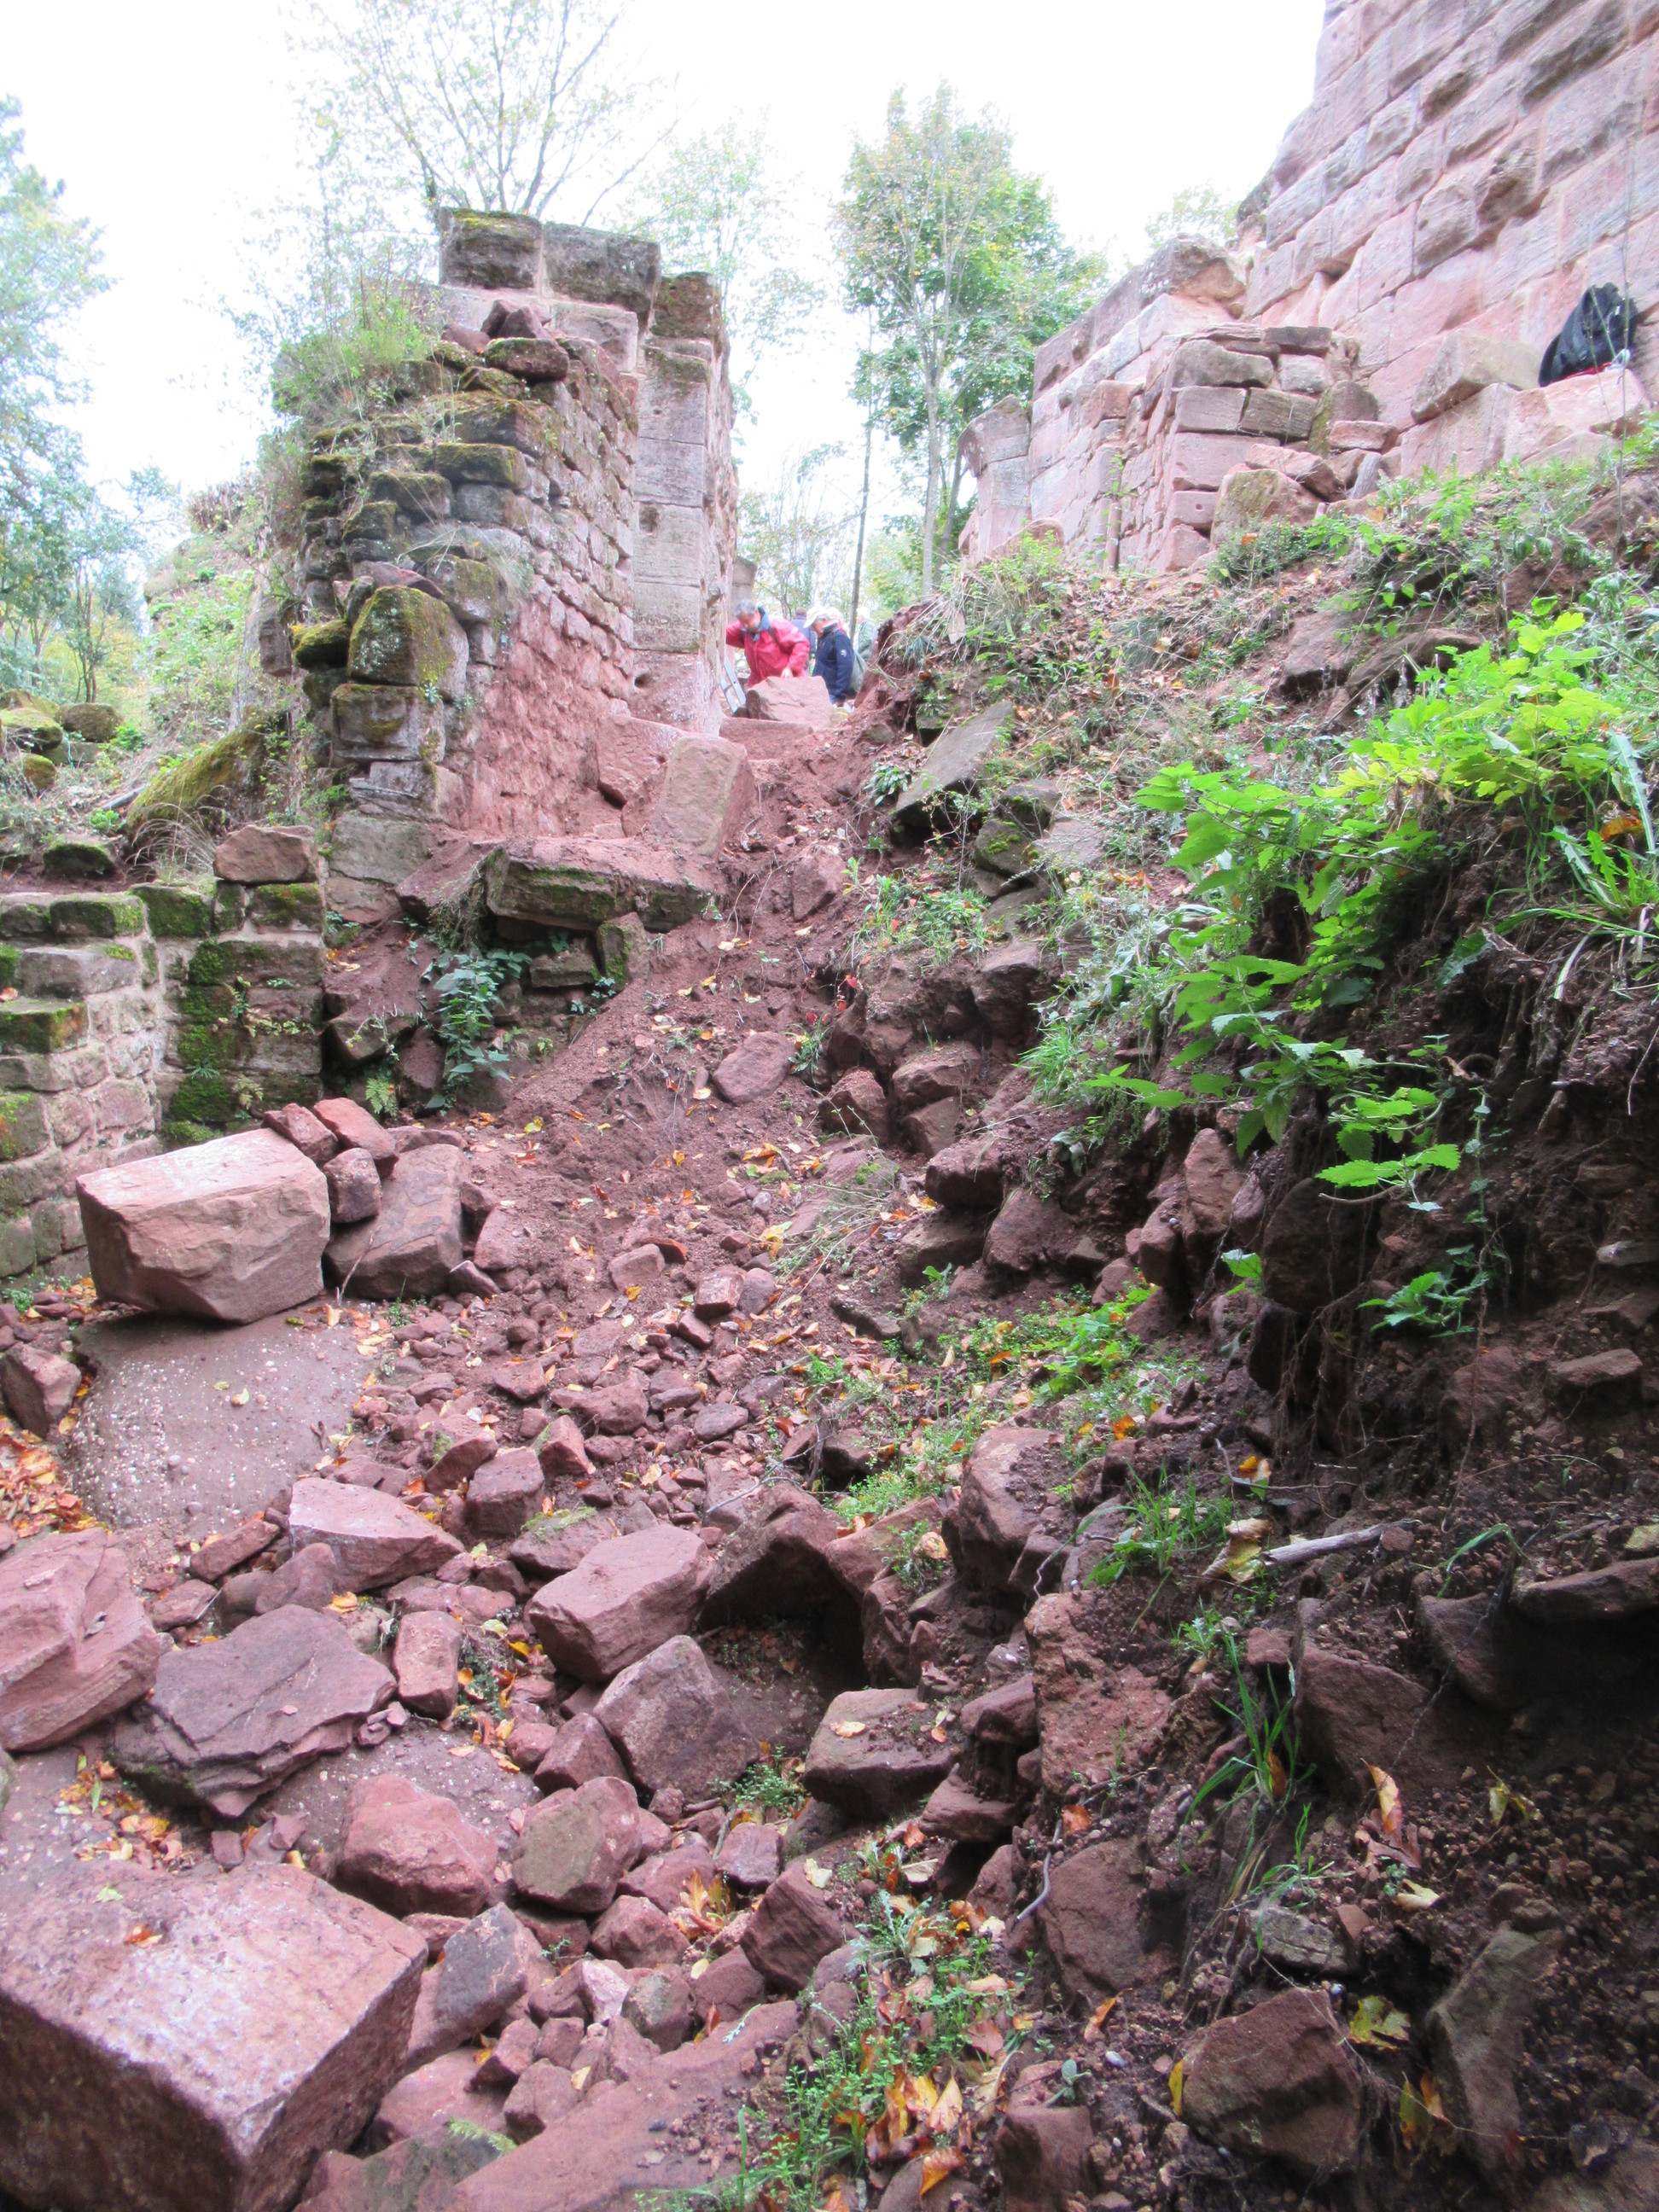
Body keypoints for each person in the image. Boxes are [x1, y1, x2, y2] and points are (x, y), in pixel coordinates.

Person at [725, 598, 808, 684]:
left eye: (747, 621)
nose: (745, 626)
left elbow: (801, 644)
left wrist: (791, 668)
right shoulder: (743, 630)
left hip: (787, 683)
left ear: (756, 613)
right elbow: (724, 633)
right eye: (742, 623)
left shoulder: (777, 626)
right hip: (761, 685)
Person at [807, 606, 856, 704]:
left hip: (832, 694)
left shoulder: (839, 637)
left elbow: (846, 667)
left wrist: (840, 696)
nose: (812, 629)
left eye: (813, 624)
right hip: (820, 692)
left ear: (823, 620)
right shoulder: (822, 639)